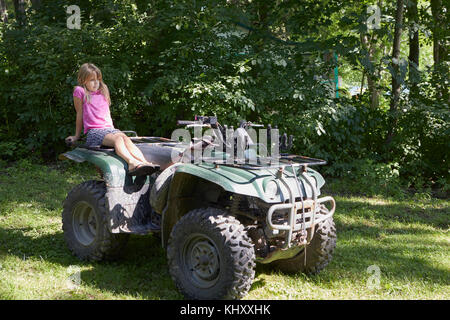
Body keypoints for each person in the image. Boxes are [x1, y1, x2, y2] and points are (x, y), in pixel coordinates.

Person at [65, 63, 156, 176]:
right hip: (94, 131)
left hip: (109, 129)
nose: (96, 82)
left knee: (125, 138)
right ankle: (132, 162)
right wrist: (76, 136)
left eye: (98, 79)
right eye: (92, 80)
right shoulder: (80, 91)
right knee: (118, 139)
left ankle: (144, 163)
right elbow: (79, 114)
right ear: (83, 80)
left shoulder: (103, 91)